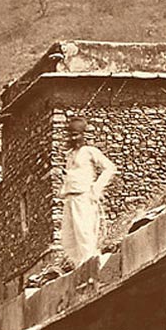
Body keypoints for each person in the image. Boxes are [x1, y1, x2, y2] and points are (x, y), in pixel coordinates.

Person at [59, 115, 117, 270]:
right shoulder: (69, 155)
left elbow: (109, 168)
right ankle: (80, 269)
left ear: (82, 135)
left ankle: (91, 268)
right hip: (70, 198)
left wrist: (96, 189)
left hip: (84, 197)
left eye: (76, 134)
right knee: (69, 238)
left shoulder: (90, 151)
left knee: (85, 234)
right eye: (71, 135)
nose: (73, 138)